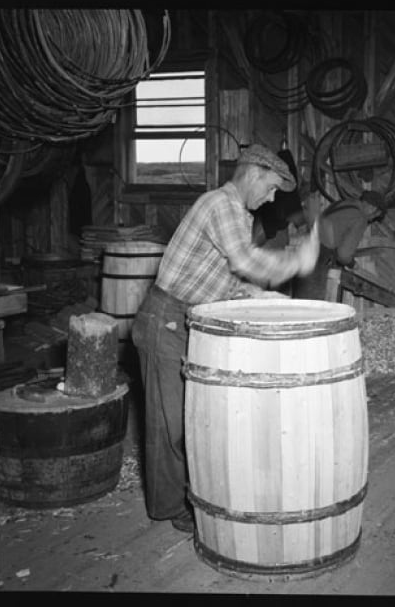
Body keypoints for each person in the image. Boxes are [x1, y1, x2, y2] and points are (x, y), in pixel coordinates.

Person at [130, 144, 319, 533]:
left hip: (184, 319)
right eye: (269, 188)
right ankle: (168, 509)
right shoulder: (220, 204)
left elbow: (227, 276)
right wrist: (297, 261)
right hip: (164, 317)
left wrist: (258, 295)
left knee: (189, 417)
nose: (271, 198)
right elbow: (245, 261)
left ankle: (190, 497)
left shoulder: (234, 213)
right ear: (252, 173)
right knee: (170, 427)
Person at [292, 190, 387, 300]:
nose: (371, 219)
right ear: (373, 208)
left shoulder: (344, 204)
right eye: (375, 216)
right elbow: (343, 255)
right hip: (321, 256)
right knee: (313, 302)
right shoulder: (360, 218)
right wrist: (352, 265)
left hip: (307, 246)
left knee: (299, 297)